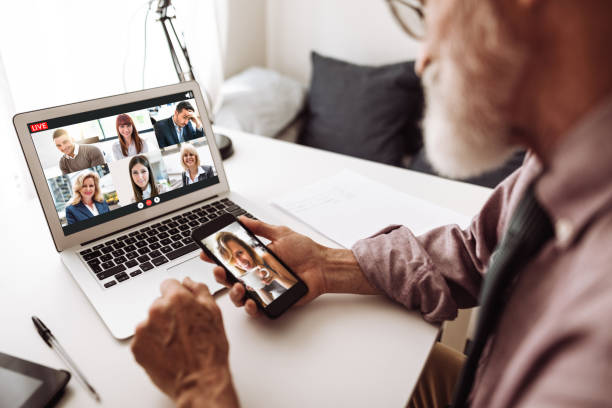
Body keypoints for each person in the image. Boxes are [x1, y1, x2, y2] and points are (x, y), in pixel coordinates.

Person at [131, 1, 612, 407]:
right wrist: (328, 264)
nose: (422, 61)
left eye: (428, 12)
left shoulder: (594, 347)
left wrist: (204, 386)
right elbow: (479, 250)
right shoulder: (557, 160)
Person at [215, 231, 297, 305]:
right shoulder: (245, 277)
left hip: (295, 298)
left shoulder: (266, 258)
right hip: (280, 304)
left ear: (247, 249)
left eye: (240, 253)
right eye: (232, 259)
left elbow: (296, 287)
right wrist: (257, 288)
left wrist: (275, 277)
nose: (240, 262)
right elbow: (270, 303)